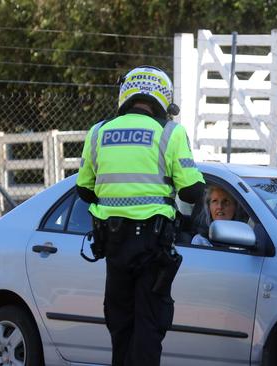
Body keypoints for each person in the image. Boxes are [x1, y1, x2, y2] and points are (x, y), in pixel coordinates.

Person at [76, 65, 205, 366]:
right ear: (163, 98)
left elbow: (83, 189)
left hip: (113, 246)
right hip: (152, 247)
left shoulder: (98, 133)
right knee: (149, 325)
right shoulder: (170, 133)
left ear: (126, 93)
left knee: (120, 326)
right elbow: (192, 191)